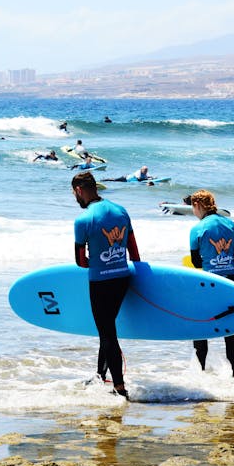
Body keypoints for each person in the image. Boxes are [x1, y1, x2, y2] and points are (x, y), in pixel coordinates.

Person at [72, 171, 141, 399]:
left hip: (101, 282)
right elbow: (134, 250)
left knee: (107, 334)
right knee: (107, 329)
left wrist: (99, 261)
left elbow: (81, 261)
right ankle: (101, 376)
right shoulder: (121, 211)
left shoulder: (83, 220)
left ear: (79, 190)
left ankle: (119, 387)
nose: (76, 198)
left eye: (75, 194)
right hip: (123, 278)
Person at [187, 189, 234, 377]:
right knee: (230, 330)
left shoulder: (197, 229)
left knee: (201, 326)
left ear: (197, 206)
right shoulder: (232, 225)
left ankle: (200, 372)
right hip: (232, 282)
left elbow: (195, 262)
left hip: (209, 283)